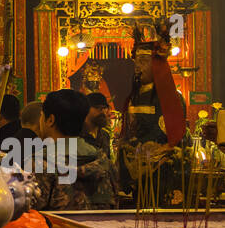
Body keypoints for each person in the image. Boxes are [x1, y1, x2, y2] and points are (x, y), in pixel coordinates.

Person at [116, 21, 186, 205]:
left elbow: (171, 134)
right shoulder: (134, 96)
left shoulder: (171, 97)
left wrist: (149, 148)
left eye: (144, 62)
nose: (138, 67)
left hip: (159, 156)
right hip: (137, 155)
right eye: (136, 62)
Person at [30, 89, 113, 212]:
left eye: (42, 116)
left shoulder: (41, 163)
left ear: (50, 120)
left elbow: (33, 213)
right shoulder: (102, 159)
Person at [81, 92, 118, 208]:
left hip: (105, 196)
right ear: (86, 109)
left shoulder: (105, 136)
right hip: (84, 197)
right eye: (98, 108)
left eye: (105, 108)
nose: (103, 112)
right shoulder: (78, 135)